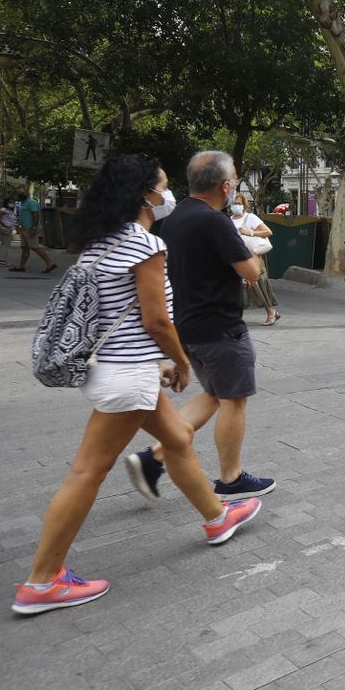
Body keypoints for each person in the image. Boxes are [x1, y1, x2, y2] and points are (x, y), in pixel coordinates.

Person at [12, 155, 261, 615]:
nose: (166, 194)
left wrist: (156, 365)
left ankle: (216, 518)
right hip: (127, 379)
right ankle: (42, 582)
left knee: (180, 440)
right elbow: (157, 320)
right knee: (87, 472)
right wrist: (180, 363)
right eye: (162, 186)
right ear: (146, 194)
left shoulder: (102, 241)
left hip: (123, 369)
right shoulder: (143, 244)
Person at [124, 151, 273, 505]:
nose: (235, 185)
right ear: (225, 185)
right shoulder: (216, 222)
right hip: (220, 326)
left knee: (215, 395)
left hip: (188, 325)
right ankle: (231, 478)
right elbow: (252, 272)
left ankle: (154, 456)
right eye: (234, 179)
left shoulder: (174, 220)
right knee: (234, 400)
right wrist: (247, 243)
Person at [232, 193, 280, 326]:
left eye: (238, 203)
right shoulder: (229, 220)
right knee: (237, 287)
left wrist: (250, 232)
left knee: (258, 286)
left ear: (244, 204)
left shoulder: (250, 218)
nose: (236, 206)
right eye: (233, 203)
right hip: (237, 258)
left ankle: (271, 312)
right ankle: (234, 316)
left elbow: (268, 232)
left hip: (252, 258)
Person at [10, 186, 58, 274]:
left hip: (30, 228)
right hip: (24, 229)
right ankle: (21, 266)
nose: (20, 195)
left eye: (21, 193)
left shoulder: (31, 202)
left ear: (26, 193)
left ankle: (50, 263)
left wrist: (34, 228)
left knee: (35, 247)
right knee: (24, 248)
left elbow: (35, 215)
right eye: (19, 193)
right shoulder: (24, 203)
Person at [0, 195, 18, 266]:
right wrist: (5, 225)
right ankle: (2, 261)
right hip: (5, 229)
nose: (12, 203)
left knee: (6, 245)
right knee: (5, 246)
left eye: (13, 202)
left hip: (9, 229)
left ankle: (3, 260)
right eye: (10, 202)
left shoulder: (11, 211)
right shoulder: (4, 210)